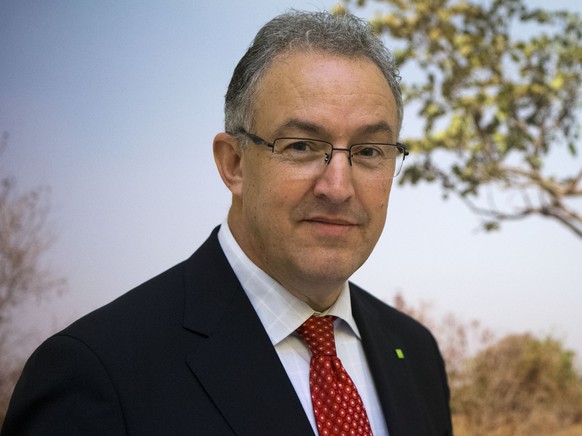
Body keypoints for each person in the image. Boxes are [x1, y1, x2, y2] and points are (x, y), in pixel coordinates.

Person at [1, 10, 452, 436]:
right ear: (234, 163)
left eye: (370, 152)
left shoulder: (415, 352)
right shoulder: (97, 372)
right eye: (300, 146)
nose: (338, 187)